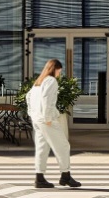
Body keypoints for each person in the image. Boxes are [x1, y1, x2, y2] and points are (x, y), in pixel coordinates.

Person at [27, 58, 81, 189]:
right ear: (55, 69)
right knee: (63, 146)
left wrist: (32, 112)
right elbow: (46, 99)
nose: (59, 74)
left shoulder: (38, 82)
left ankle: (39, 178)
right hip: (46, 120)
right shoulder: (51, 81)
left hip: (37, 119)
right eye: (59, 71)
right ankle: (65, 176)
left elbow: (28, 96)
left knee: (42, 148)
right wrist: (47, 117)